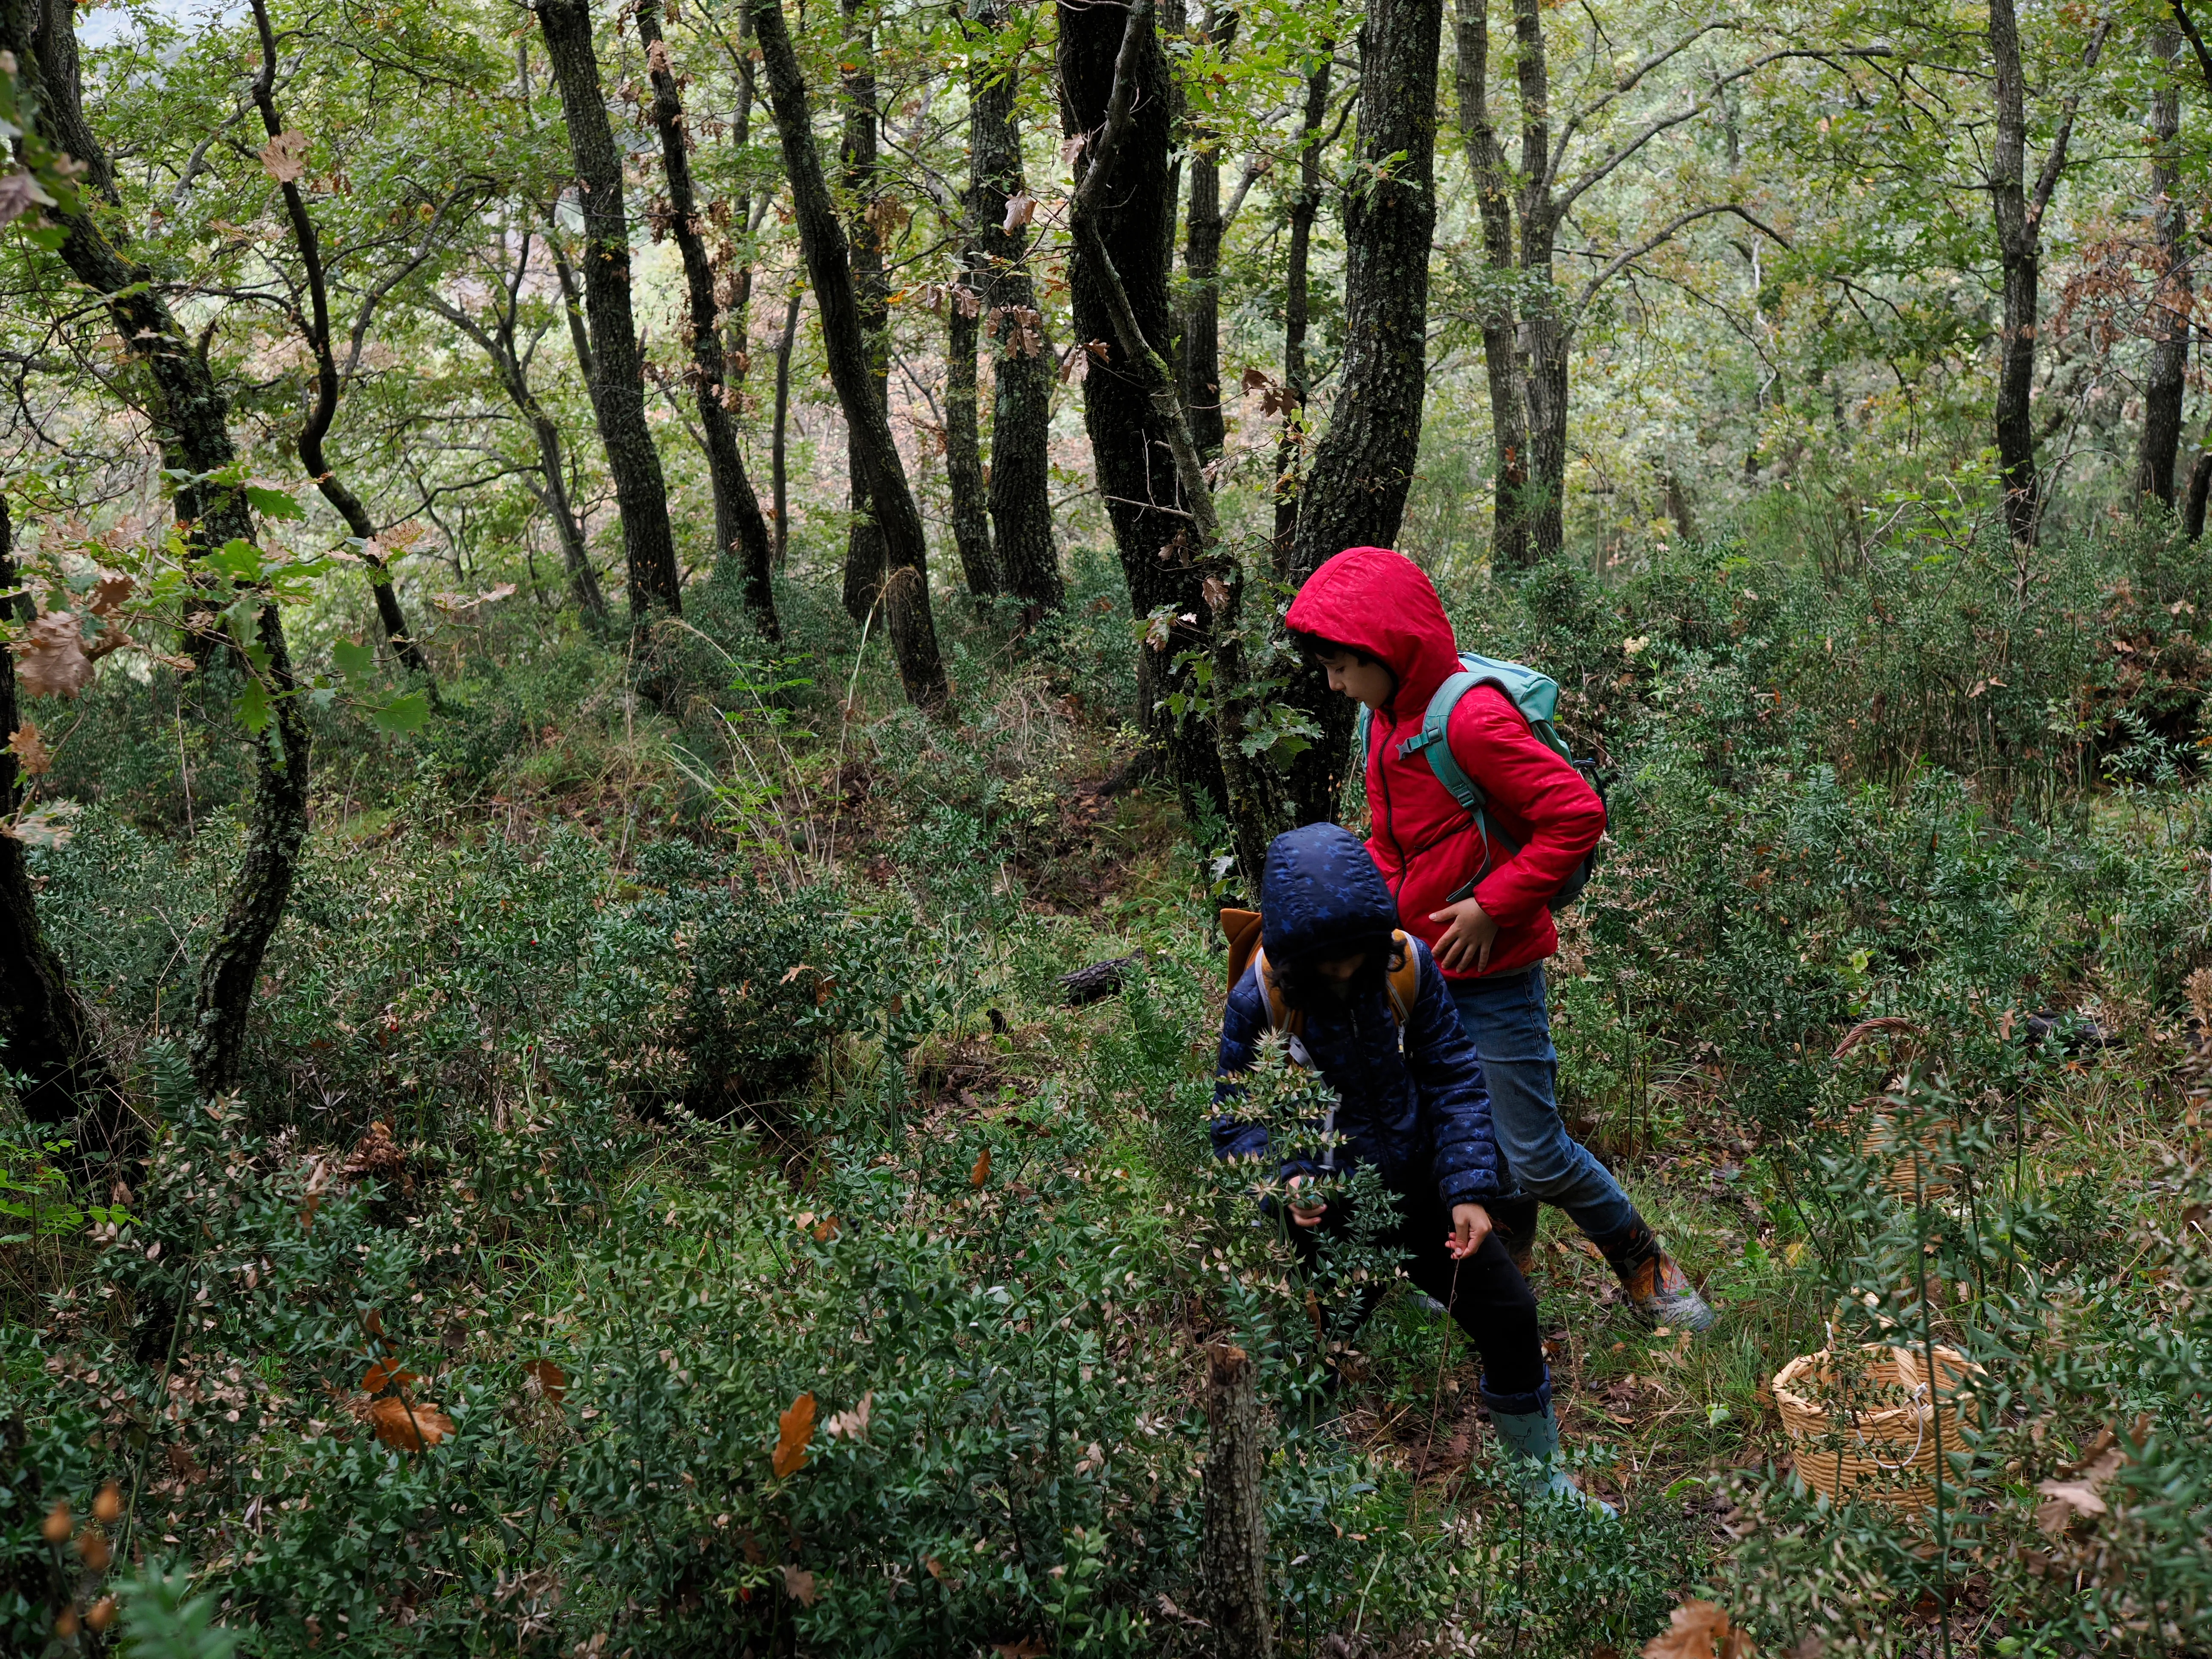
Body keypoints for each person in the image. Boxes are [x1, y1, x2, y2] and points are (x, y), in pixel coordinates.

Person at [1284, 544, 1715, 1333]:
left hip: (1494, 972)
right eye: (1329, 670)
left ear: (1387, 648)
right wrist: (1369, 920)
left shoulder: (1471, 719)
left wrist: (1491, 903)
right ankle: (1502, 1275)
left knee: (1536, 1151)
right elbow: (1392, 843)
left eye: (1343, 666)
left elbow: (1577, 816)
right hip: (1422, 971)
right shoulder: (1381, 722)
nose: (1337, 684)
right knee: (1457, 1134)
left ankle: (1644, 1263)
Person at [1213, 821, 1607, 1508]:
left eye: (1354, 954)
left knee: (1511, 1314)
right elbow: (1235, 1120)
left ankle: (1539, 1485)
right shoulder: (1262, 998)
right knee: (1313, 1352)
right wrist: (1286, 1181)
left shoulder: (1406, 965)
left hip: (1424, 1192)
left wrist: (1468, 1187)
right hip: (1331, 1216)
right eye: (1327, 960)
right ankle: (1315, 1489)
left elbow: (1456, 1076)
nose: (1343, 969)